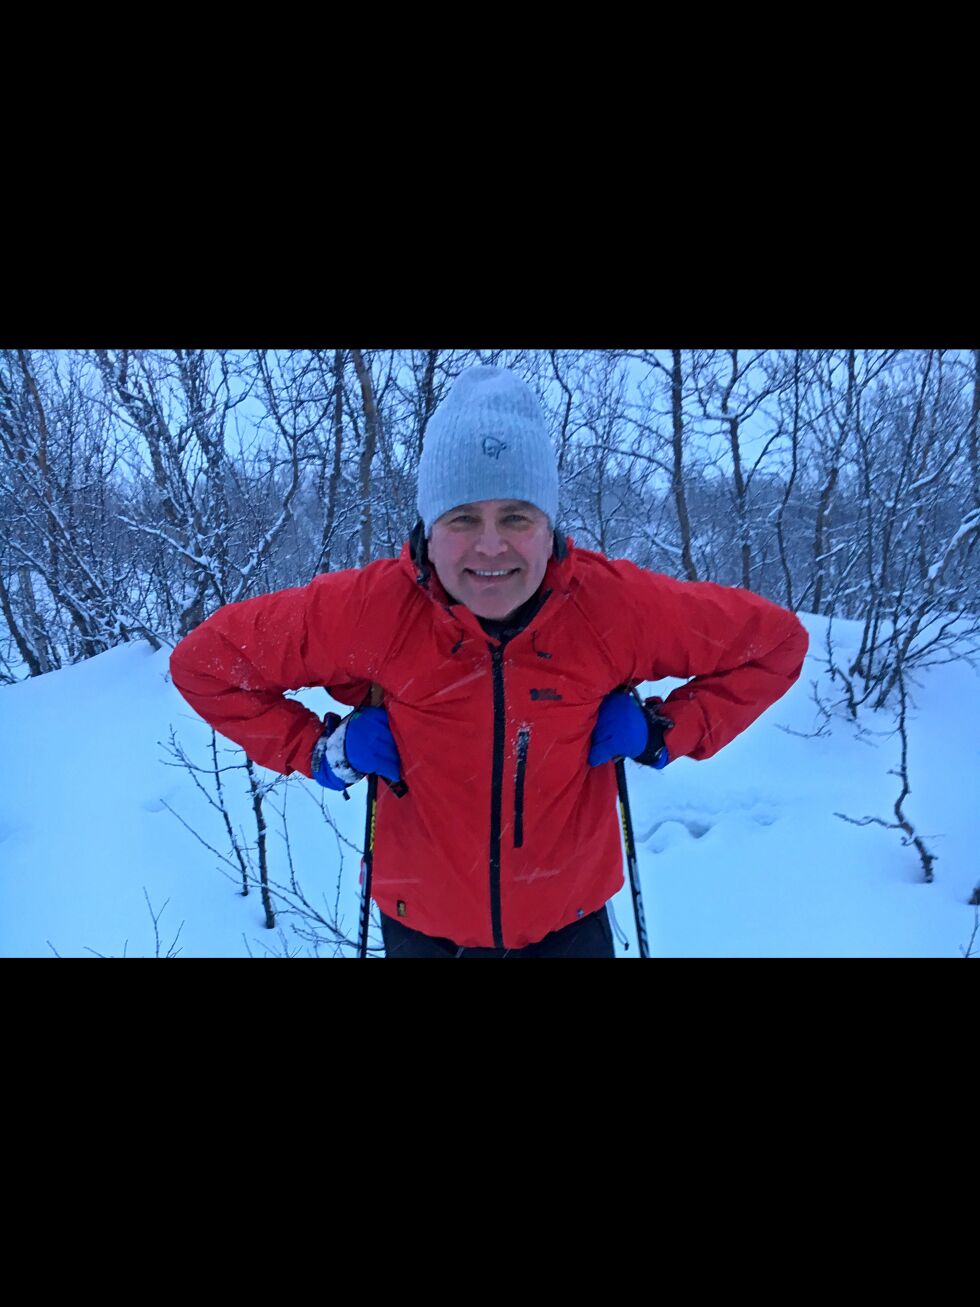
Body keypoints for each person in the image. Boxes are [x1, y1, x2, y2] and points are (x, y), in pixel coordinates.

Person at [169, 366, 809, 958]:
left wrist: (664, 730)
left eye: (515, 516)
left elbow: (776, 645)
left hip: (569, 923)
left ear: (548, 522)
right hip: (422, 926)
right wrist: (319, 750)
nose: (491, 545)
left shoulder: (613, 609)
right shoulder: (372, 611)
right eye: (463, 517)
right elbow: (207, 665)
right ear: (428, 523)